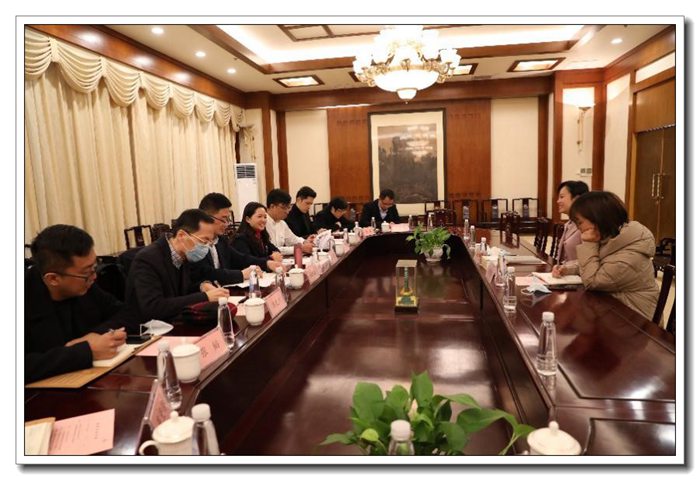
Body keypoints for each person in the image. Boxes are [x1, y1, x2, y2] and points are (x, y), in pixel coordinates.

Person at [25, 225, 131, 383]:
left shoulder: (85, 286)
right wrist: (85, 351)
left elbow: (126, 312)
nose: (94, 277)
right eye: (87, 272)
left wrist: (95, 334)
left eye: (95, 266)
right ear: (53, 279)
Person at [123, 209, 229, 325]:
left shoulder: (185, 253)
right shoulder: (148, 259)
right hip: (149, 329)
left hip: (175, 322)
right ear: (181, 235)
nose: (207, 247)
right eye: (204, 241)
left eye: (210, 242)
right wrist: (205, 297)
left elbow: (182, 290)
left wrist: (202, 286)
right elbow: (153, 307)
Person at [569, 191, 659, 321]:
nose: (578, 228)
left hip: (635, 321)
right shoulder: (613, 239)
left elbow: (593, 282)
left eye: (580, 222)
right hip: (614, 309)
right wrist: (567, 269)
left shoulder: (631, 254)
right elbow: (598, 264)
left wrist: (589, 244)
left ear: (598, 219)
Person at [190, 193, 279, 286]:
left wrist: (267, 263)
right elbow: (206, 273)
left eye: (228, 219)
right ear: (207, 218)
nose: (227, 224)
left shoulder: (220, 240)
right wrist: (241, 274)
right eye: (224, 219)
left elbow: (241, 258)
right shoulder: (197, 243)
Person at [551, 181, 590, 277]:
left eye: (562, 197)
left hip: (581, 278)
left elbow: (589, 260)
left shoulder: (588, 225)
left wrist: (566, 268)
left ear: (576, 199)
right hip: (566, 276)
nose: (558, 201)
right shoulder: (569, 223)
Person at [266, 189, 315, 255]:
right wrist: (299, 248)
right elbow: (271, 249)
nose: (287, 211)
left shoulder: (282, 223)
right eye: (284, 208)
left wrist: (305, 242)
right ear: (272, 206)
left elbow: (292, 239)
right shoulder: (263, 223)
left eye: (288, 207)